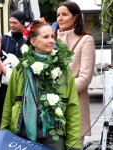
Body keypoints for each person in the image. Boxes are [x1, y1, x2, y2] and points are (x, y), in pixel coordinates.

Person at [0, 19, 82, 150]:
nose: (51, 40)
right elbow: (9, 104)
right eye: (46, 37)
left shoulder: (63, 71)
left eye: (52, 36)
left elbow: (73, 110)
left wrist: (74, 145)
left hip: (54, 137)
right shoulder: (20, 69)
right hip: (23, 135)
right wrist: (3, 135)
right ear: (33, 42)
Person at [55, 1, 95, 140]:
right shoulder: (51, 39)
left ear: (76, 17)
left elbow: (85, 78)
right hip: (51, 109)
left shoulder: (86, 40)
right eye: (58, 15)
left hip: (74, 105)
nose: (60, 18)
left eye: (64, 14)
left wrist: (58, 94)